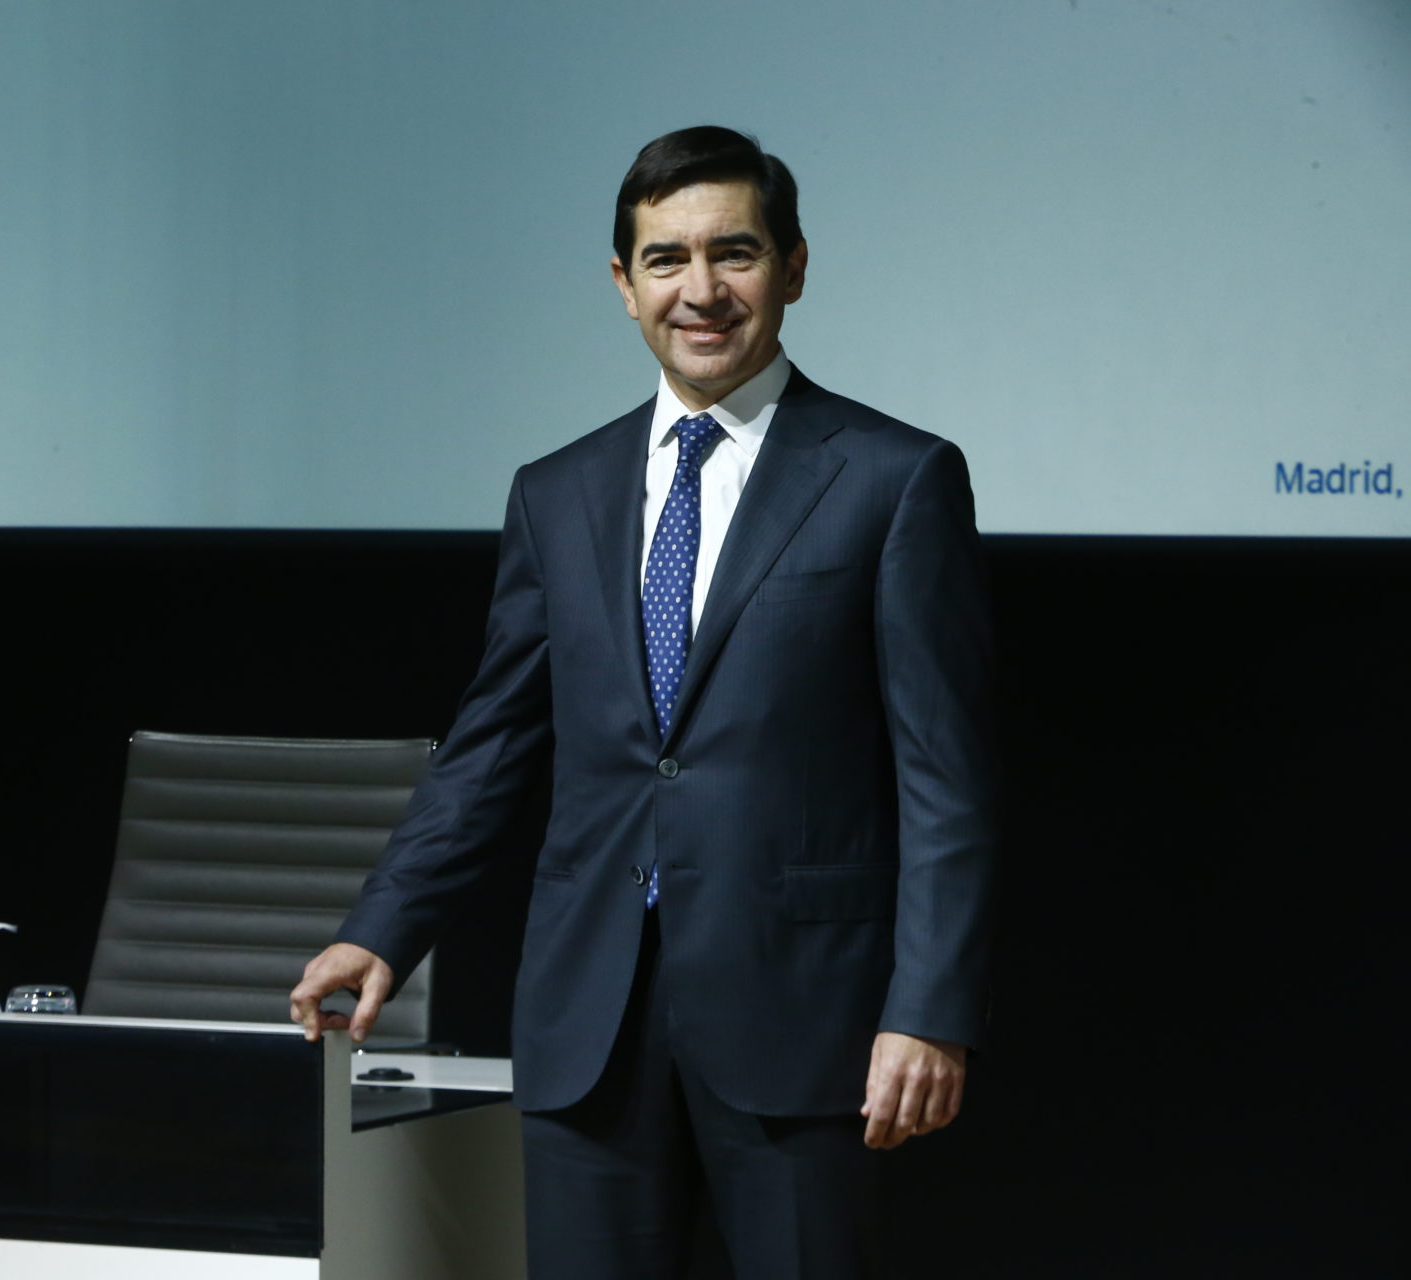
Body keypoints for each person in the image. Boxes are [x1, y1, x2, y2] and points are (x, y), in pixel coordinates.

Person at [291, 125, 998, 1279]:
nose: (703, 290)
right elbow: (492, 745)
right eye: (667, 260)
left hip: (805, 1021)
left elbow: (945, 777)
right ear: (624, 286)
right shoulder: (556, 491)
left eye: (736, 253)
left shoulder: (894, 477)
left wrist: (928, 1006)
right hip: (590, 1022)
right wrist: (384, 925)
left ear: (795, 267)